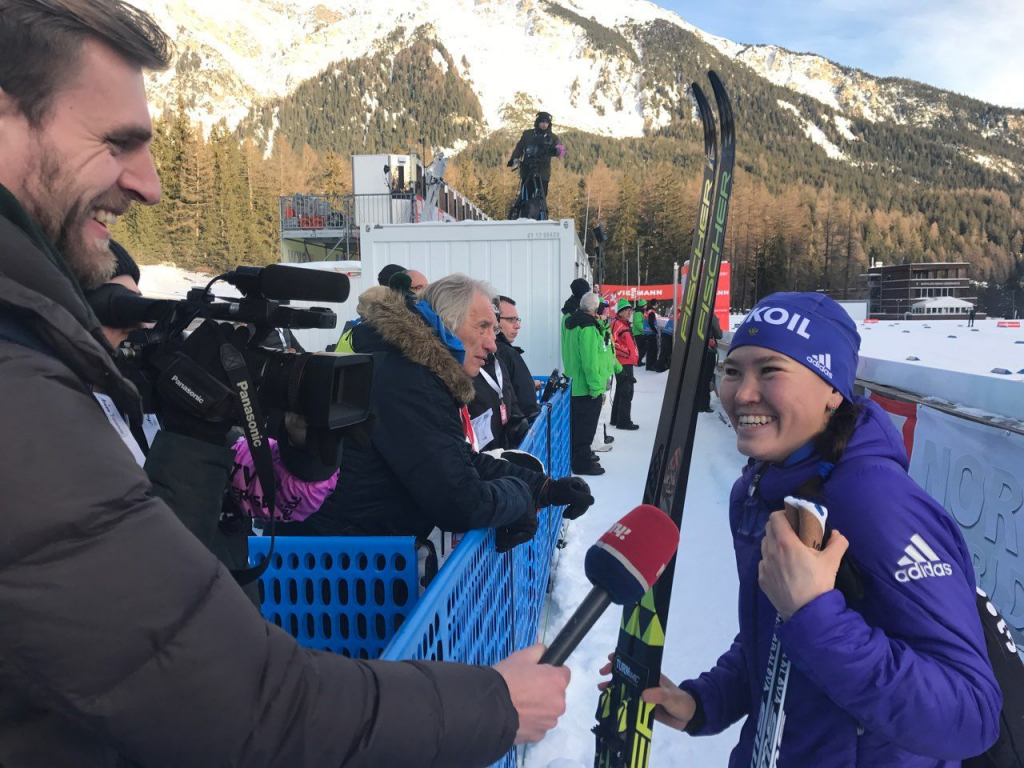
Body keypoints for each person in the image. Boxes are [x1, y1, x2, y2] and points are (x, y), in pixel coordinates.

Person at [0, 2, 570, 764]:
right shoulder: (20, 386)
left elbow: (184, 566)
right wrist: (493, 704)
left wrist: (273, 451)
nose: (151, 184)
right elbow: (240, 701)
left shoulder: (39, 357)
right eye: (116, 142)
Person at [605, 292, 1001, 766]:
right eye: (733, 371)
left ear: (833, 390)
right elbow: (773, 633)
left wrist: (816, 615)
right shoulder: (757, 489)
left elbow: (972, 714)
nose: (742, 393)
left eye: (771, 370)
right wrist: (705, 701)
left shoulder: (876, 502)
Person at [286, 273, 592, 544]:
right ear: (447, 324)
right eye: (483, 327)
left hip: (357, 554)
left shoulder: (412, 367)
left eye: (494, 328)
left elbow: (459, 461)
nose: (492, 344)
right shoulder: (409, 378)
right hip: (343, 567)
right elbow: (461, 502)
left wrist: (544, 489)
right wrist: (521, 497)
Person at [563, 292, 608, 475]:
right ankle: (582, 464)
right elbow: (590, 362)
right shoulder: (587, 327)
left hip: (575, 385)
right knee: (585, 430)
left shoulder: (571, 323)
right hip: (586, 388)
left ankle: (580, 457)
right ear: (595, 309)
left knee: (577, 428)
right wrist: (596, 388)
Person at [495, 294, 541, 420]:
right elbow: (528, 406)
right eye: (511, 320)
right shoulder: (507, 354)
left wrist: (529, 384)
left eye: (517, 320)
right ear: (494, 319)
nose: (517, 325)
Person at [507, 111, 565, 199]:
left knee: (541, 198)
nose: (544, 124)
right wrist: (514, 158)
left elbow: (562, 151)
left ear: (549, 124)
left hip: (543, 172)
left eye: (546, 122)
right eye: (542, 122)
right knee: (525, 197)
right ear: (538, 123)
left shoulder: (553, 138)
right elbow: (519, 148)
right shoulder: (528, 134)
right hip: (527, 170)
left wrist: (555, 151)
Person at [610, 299, 639, 430]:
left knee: (622, 389)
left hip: (626, 361)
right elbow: (613, 343)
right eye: (627, 311)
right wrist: (627, 352)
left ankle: (615, 419)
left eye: (630, 311)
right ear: (620, 312)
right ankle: (624, 422)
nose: (629, 313)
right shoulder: (617, 324)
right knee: (627, 391)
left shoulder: (623, 324)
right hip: (622, 362)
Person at [696, 313, 723, 413]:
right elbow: (719, 335)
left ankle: (694, 403)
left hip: (695, 351)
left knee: (697, 378)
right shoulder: (711, 315)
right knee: (705, 379)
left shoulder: (694, 313)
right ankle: (703, 405)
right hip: (708, 351)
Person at [633, 298, 648, 366]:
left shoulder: (638, 313)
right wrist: (644, 330)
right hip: (639, 334)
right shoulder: (639, 313)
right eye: (645, 305)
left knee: (641, 348)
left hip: (638, 333)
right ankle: (638, 361)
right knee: (642, 348)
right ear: (643, 306)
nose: (646, 306)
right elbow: (638, 324)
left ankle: (638, 361)